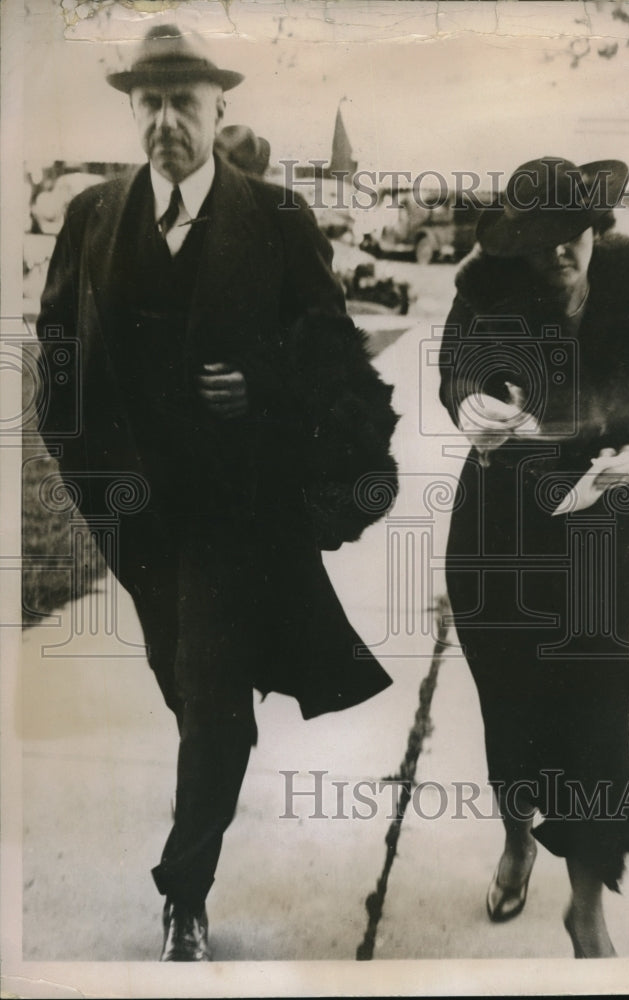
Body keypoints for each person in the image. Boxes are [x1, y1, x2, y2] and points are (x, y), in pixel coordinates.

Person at [35, 24, 397, 961]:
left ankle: (183, 894)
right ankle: (204, 792)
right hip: (137, 524)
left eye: (183, 104)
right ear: (132, 110)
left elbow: (335, 367)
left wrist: (263, 389)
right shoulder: (90, 217)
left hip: (237, 517)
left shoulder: (276, 221)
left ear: (218, 108)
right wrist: (94, 492)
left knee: (213, 698)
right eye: (148, 104)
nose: (165, 123)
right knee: (189, 686)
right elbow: (61, 367)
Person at [439, 157, 629, 958]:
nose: (558, 252)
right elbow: (457, 377)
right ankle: (517, 840)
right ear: (517, 243)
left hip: (593, 534)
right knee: (509, 706)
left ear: (596, 229)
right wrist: (471, 407)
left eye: (571, 235)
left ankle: (586, 905)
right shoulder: (485, 297)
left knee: (591, 719)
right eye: (540, 239)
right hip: (496, 528)